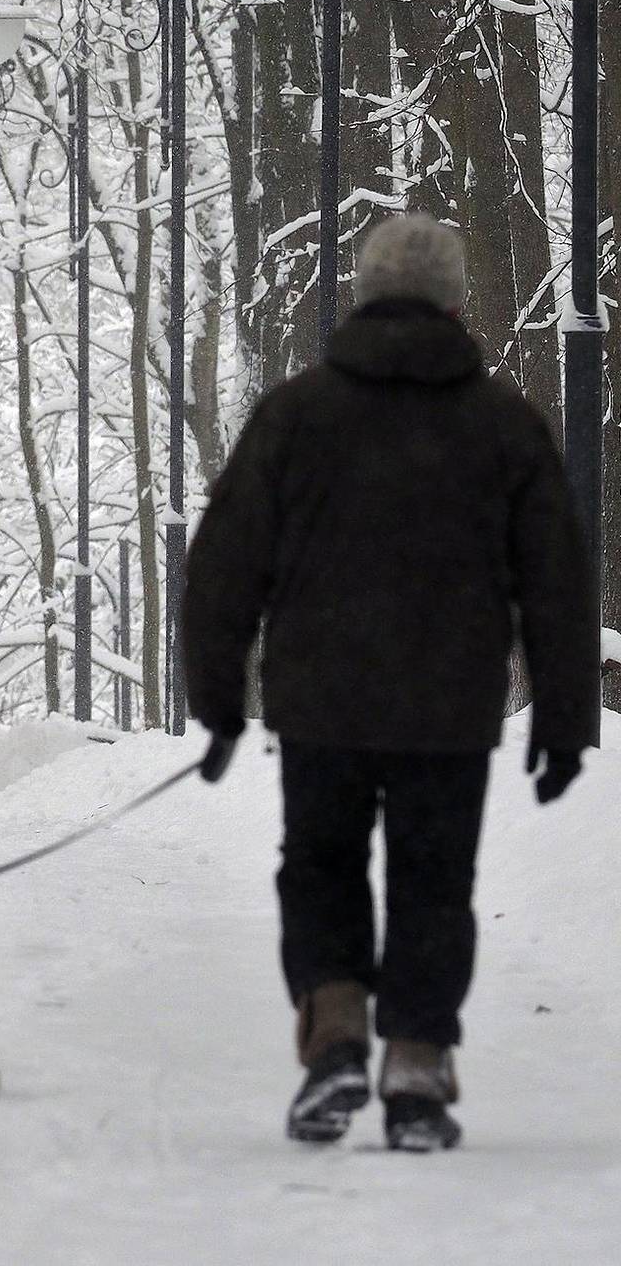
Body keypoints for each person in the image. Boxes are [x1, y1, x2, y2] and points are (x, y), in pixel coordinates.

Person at [181, 214, 596, 1152]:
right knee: (433, 884)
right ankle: (413, 1061)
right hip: (448, 711)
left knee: (319, 868)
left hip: (322, 701)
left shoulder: (297, 415)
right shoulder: (503, 425)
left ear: (360, 297)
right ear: (457, 305)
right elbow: (556, 581)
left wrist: (217, 703)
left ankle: (334, 1031)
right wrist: (564, 719)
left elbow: (224, 566)